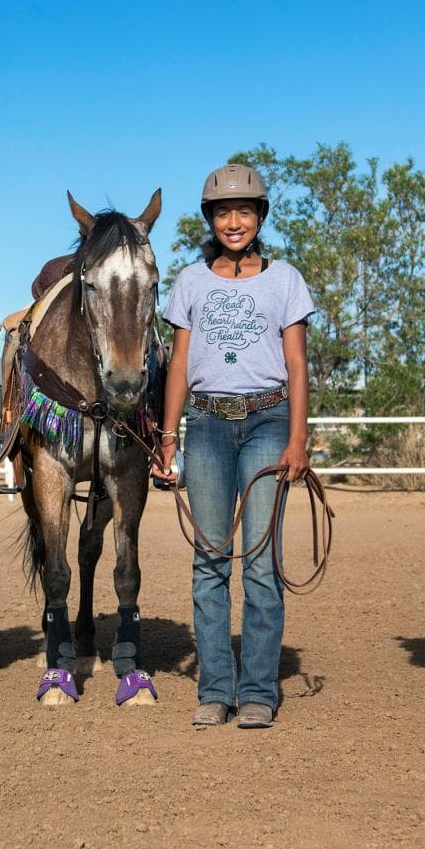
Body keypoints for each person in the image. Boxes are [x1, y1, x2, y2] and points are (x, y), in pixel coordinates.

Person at [152, 163, 314, 729]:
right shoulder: (191, 281)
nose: (234, 221)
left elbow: (296, 364)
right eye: (223, 212)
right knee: (210, 561)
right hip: (208, 426)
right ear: (210, 220)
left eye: (245, 210)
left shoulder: (285, 279)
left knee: (262, 564)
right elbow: (178, 364)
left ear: (261, 216)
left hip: (268, 424)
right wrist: (168, 437)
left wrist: (298, 438)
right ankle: (216, 688)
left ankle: (259, 690)